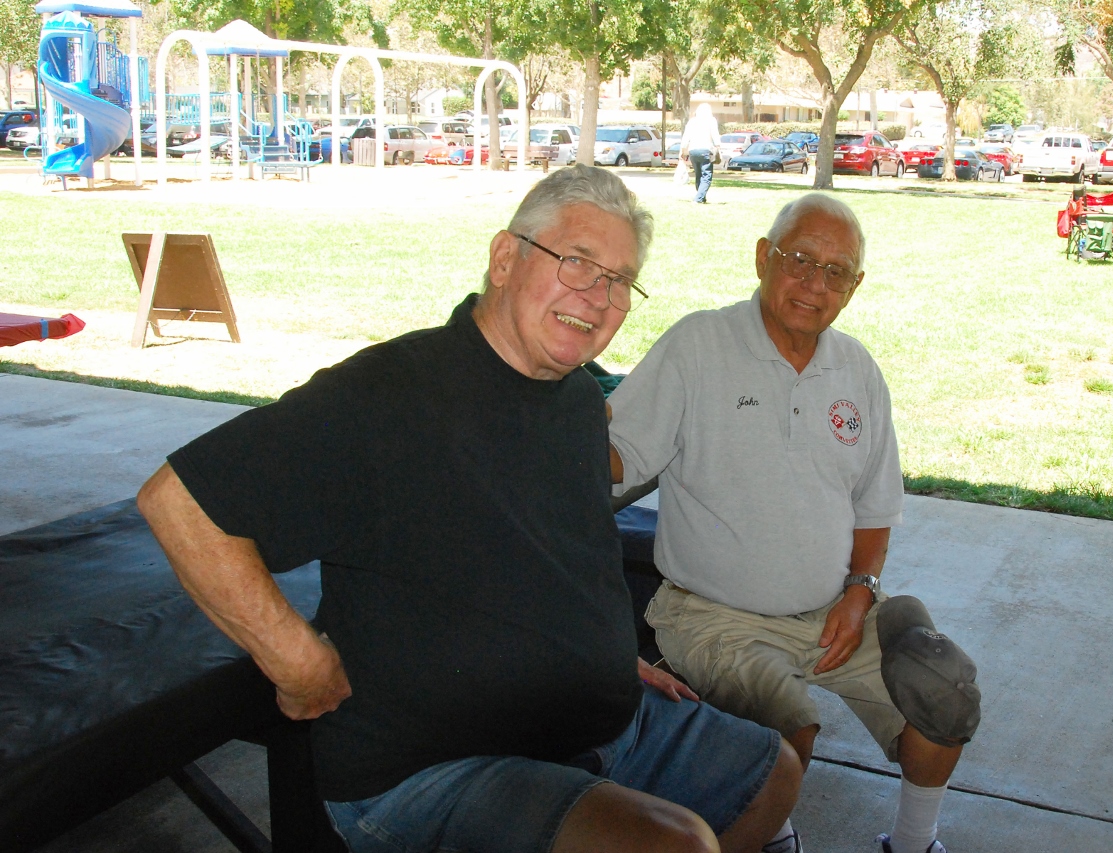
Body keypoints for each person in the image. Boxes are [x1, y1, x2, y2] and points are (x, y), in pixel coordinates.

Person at [136, 165, 801, 853]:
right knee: (671, 844)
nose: (598, 296)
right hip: (433, 766)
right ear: (506, 258)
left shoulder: (575, 403)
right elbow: (179, 504)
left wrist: (603, 653)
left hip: (597, 724)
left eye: (620, 280)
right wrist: (297, 660)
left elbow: (541, 550)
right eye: (577, 263)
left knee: (772, 773)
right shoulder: (391, 395)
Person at [607, 194, 981, 853]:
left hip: (834, 608)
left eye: (837, 271)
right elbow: (614, 459)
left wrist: (861, 588)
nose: (815, 283)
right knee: (785, 730)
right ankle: (772, 837)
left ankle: (915, 842)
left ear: (856, 286)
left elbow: (875, 504)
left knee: (941, 684)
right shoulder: (699, 345)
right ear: (762, 257)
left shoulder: (857, 369)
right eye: (799, 259)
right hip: (715, 614)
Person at [681, 104, 721, 204]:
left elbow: (686, 137)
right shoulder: (711, 120)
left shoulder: (692, 121)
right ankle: (698, 198)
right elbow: (715, 135)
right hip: (706, 150)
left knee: (698, 175)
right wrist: (718, 147)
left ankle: (701, 197)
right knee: (707, 175)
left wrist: (683, 151)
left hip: (693, 151)